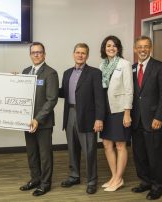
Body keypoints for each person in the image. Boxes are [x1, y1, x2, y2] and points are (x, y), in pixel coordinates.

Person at [59, 43, 105, 194]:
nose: (80, 55)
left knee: (90, 150)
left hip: (88, 116)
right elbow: (62, 92)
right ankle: (74, 176)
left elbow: (99, 98)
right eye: (77, 52)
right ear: (73, 54)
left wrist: (99, 119)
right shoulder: (67, 73)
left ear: (87, 55)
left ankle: (92, 180)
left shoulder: (94, 73)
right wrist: (39, 84)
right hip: (70, 114)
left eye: (83, 53)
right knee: (72, 148)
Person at [131, 36, 162, 200]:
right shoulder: (133, 68)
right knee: (140, 155)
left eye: (146, 47)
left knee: (155, 156)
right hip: (137, 121)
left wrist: (159, 117)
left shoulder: (161, 67)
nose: (143, 50)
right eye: (140, 47)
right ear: (135, 49)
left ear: (151, 48)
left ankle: (158, 186)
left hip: (155, 121)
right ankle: (146, 181)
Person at [19, 42, 59, 196]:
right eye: (33, 52)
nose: (36, 55)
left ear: (44, 54)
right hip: (27, 122)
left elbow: (52, 100)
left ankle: (45, 183)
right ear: (30, 55)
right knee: (32, 153)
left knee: (44, 154)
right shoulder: (25, 71)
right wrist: (13, 81)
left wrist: (37, 119)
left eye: (39, 52)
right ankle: (35, 179)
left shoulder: (50, 73)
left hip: (43, 123)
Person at [99, 35, 133, 191]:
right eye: (108, 46)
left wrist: (127, 113)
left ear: (118, 48)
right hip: (105, 110)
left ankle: (119, 178)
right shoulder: (102, 65)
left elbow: (128, 90)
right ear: (104, 49)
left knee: (120, 145)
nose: (111, 48)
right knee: (107, 144)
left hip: (119, 110)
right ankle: (114, 177)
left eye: (114, 46)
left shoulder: (124, 64)